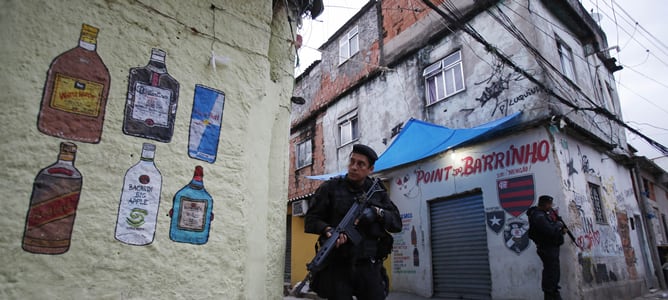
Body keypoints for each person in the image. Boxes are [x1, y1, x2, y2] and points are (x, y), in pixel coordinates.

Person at [305, 144, 402, 300]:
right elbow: (311, 220)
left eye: (360, 164)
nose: (354, 167)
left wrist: (377, 213)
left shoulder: (377, 191)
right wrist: (327, 229)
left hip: (368, 266)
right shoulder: (330, 188)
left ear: (370, 169)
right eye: (352, 161)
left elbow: (397, 223)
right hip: (338, 266)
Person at [527, 195, 567, 300]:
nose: (551, 206)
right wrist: (558, 225)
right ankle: (551, 294)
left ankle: (553, 292)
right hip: (547, 249)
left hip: (551, 248)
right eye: (549, 204)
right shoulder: (538, 216)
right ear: (545, 204)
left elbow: (551, 231)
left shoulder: (544, 215)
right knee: (551, 274)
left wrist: (561, 232)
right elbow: (549, 230)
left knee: (554, 274)